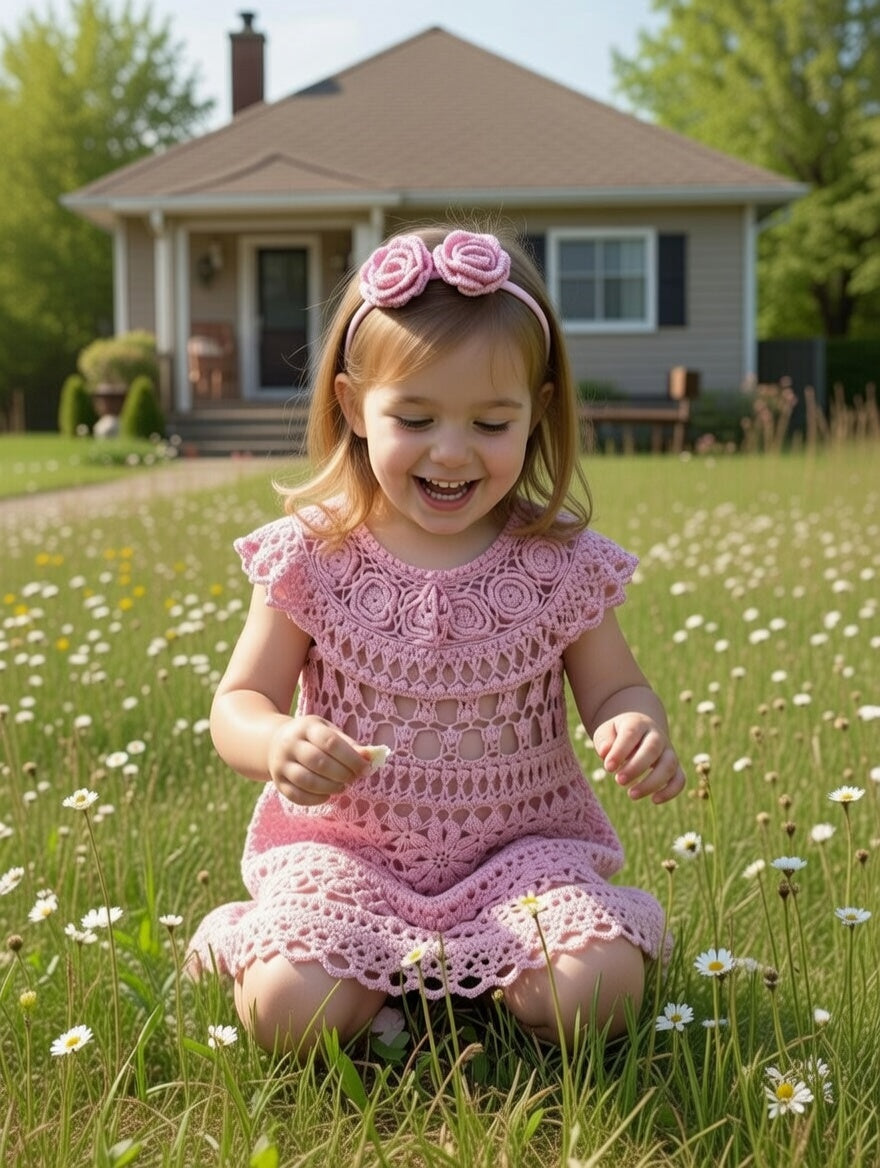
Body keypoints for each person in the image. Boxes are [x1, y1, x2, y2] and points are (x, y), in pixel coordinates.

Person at [187, 225, 686, 1055]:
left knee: (599, 990)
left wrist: (636, 725)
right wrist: (276, 741)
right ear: (354, 406)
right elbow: (238, 702)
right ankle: (327, 962)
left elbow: (616, 688)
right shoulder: (313, 556)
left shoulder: (558, 564)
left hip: (524, 860)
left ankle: (471, 984)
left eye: (491, 422)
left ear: (537, 412)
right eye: (415, 417)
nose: (451, 452)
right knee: (285, 1006)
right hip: (348, 857)